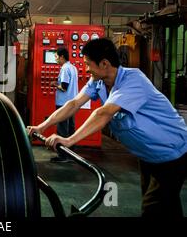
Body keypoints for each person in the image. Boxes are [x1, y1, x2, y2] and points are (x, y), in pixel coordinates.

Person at [28, 38, 187, 217]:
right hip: (148, 155)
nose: (86, 69)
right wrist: (41, 127)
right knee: (168, 207)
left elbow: (103, 113)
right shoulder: (98, 82)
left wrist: (69, 140)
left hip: (172, 154)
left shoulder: (133, 79)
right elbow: (73, 104)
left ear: (104, 63)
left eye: (88, 64)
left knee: (153, 208)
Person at [49, 47, 78, 162]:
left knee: (62, 130)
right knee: (71, 128)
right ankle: (71, 154)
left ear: (62, 57)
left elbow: (64, 88)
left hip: (63, 103)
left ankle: (63, 156)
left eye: (56, 56)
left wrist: (54, 84)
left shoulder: (65, 68)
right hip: (72, 103)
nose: (55, 59)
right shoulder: (73, 68)